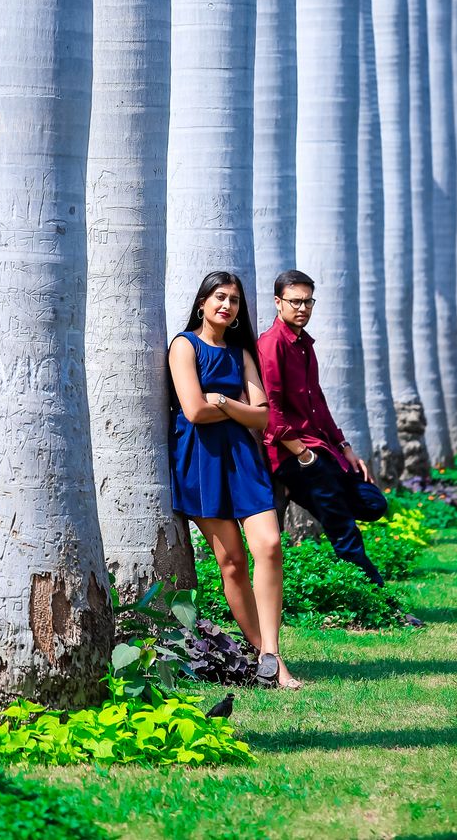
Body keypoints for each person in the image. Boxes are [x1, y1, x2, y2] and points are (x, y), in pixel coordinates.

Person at [168, 270, 302, 689]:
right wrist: (238, 406)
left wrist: (222, 400)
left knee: (270, 545)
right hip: (200, 460)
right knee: (231, 562)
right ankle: (270, 660)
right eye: (220, 298)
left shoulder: (241, 355)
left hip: (243, 459)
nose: (227, 306)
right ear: (203, 303)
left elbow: (262, 417)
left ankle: (269, 653)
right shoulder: (183, 346)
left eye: (235, 301)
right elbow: (193, 411)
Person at [257, 268, 389, 586]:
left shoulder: (304, 344)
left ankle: (299, 492)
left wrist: (345, 447)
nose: (303, 308)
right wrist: (301, 453)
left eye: (308, 302)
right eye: (295, 301)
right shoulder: (271, 344)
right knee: (343, 528)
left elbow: (318, 403)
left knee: (373, 503)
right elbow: (270, 408)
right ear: (278, 302)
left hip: (320, 451)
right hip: (297, 455)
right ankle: (376, 595)